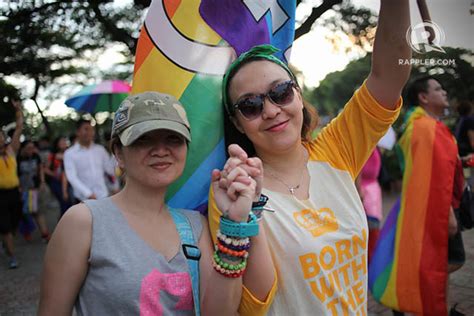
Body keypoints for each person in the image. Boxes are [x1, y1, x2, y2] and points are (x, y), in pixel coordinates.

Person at [207, 0, 412, 314]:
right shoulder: (232, 189)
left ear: (298, 95)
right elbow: (251, 305)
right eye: (250, 105)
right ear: (237, 123)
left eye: (281, 93)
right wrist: (242, 220)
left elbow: (388, 75)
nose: (272, 110)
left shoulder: (336, 149)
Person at [39, 92, 262, 315]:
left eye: (173, 138)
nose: (161, 150)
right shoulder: (83, 222)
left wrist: (234, 225)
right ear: (118, 152)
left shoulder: (195, 226)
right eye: (143, 139)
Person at [370, 76, 465, 316]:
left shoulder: (427, 125)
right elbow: (429, 175)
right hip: (436, 209)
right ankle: (406, 290)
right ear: (423, 97)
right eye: (438, 88)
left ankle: (423, 298)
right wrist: (449, 214)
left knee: (441, 260)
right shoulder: (423, 128)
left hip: (436, 206)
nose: (444, 92)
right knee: (441, 260)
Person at [64, 118, 119, 202]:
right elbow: (72, 177)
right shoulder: (70, 154)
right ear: (78, 132)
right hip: (83, 199)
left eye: (91, 129)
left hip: (103, 195)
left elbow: (109, 170)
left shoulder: (100, 150)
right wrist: (88, 194)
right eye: (86, 129)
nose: (89, 132)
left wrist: (115, 153)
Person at [0, 100, 23, 269]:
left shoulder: (10, 150)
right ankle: (13, 255)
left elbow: (19, 129)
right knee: (6, 226)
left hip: (15, 192)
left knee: (14, 223)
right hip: (0, 195)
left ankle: (6, 242)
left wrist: (18, 111)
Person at [17, 140, 51, 242]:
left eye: (32, 147)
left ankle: (44, 234)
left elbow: (40, 169)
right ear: (22, 148)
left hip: (34, 188)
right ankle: (26, 232)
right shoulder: (17, 158)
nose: (31, 150)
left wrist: (42, 181)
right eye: (28, 148)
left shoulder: (36, 156)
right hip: (23, 189)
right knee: (25, 212)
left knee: (38, 211)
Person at [356, 147, 383, 262]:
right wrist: (359, 190)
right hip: (366, 195)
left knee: (372, 237)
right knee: (369, 237)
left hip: (372, 195)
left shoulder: (374, 147)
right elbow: (357, 169)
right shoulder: (365, 147)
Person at [44, 136, 73, 218]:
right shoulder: (52, 156)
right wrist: (53, 174)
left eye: (65, 142)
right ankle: (63, 221)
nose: (64, 144)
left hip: (68, 182)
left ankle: (66, 220)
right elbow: (45, 169)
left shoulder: (70, 153)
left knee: (69, 202)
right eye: (61, 142)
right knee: (64, 201)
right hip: (56, 182)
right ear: (57, 144)